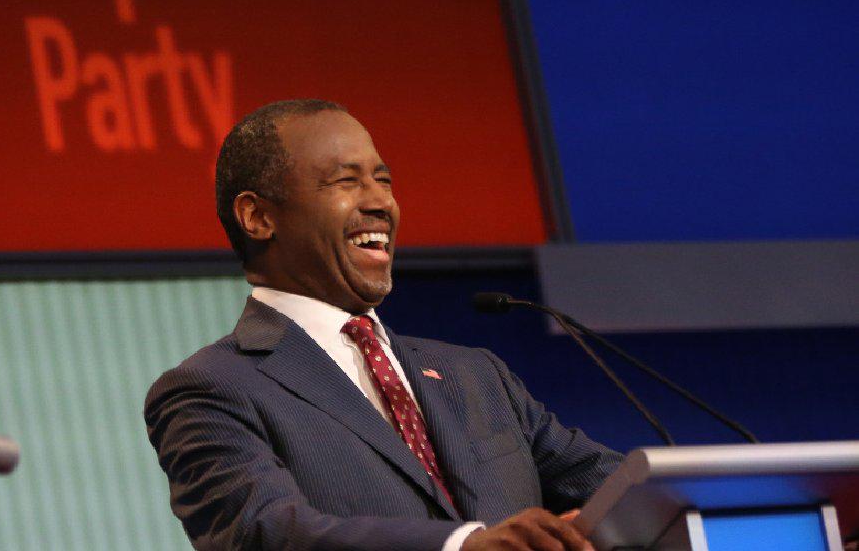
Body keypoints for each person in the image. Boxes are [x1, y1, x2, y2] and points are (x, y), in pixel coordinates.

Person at [144, 99, 622, 551]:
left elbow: (619, 489)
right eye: (346, 181)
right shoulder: (210, 390)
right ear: (258, 216)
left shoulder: (477, 375)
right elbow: (265, 532)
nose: (381, 202)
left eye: (384, 180)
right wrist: (462, 545)